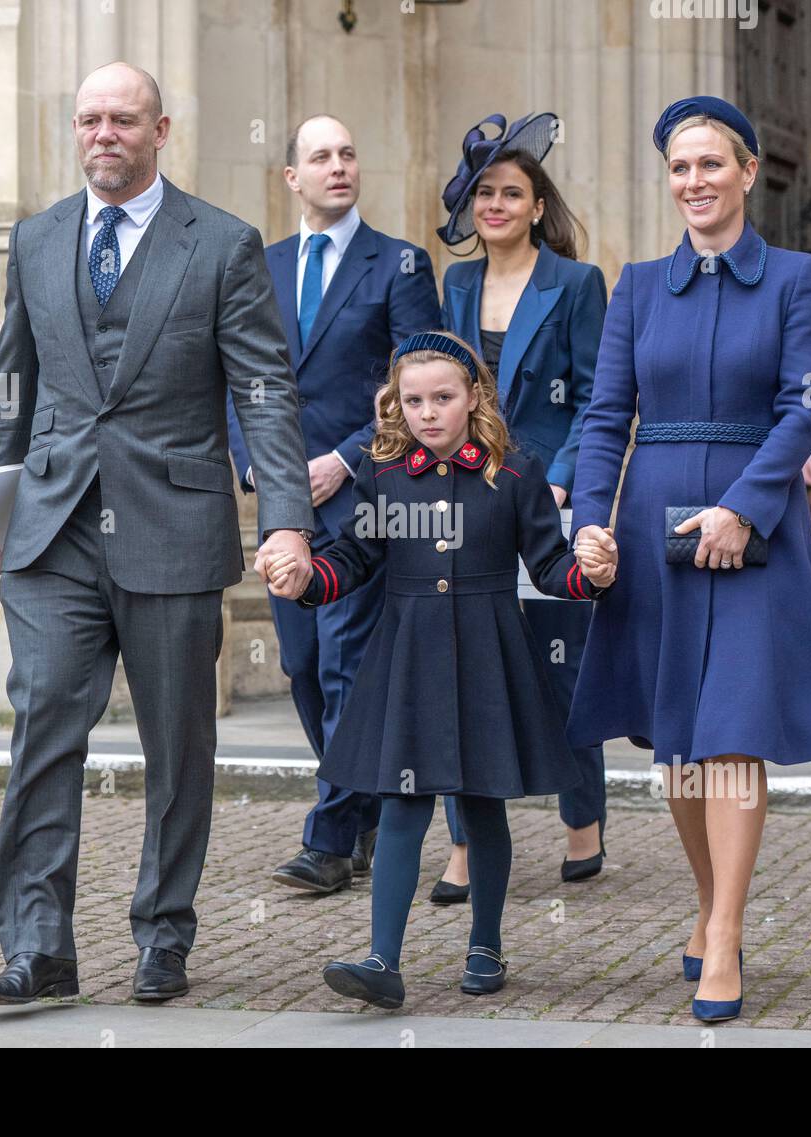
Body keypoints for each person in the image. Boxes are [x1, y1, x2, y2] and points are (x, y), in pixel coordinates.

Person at [0, 63, 314, 1006]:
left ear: (162, 130)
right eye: (89, 120)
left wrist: (287, 519)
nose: (103, 134)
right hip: (51, 530)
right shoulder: (33, 240)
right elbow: (11, 386)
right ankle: (40, 946)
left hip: (174, 525)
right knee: (41, 724)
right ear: (75, 132)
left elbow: (266, 393)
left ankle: (164, 933)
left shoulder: (226, 244)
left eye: (123, 119)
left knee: (178, 744)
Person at [569, 96, 811, 1024]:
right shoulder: (637, 285)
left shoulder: (799, 278)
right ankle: (709, 904)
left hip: (756, 530)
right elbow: (605, 414)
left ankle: (726, 934)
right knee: (681, 743)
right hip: (654, 526)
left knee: (733, 732)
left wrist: (744, 507)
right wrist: (590, 523)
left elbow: (805, 407)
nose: (694, 182)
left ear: (748, 174)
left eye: (711, 165)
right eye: (679, 168)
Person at [263, 330, 616, 1008]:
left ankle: (486, 945)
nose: (428, 412)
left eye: (443, 398)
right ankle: (382, 959)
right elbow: (352, 559)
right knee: (401, 805)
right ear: (397, 404)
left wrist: (590, 574)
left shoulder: (516, 472)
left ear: (474, 396)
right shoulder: (383, 472)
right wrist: (307, 576)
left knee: (482, 804)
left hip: (491, 653)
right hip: (409, 656)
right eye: (414, 400)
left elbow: (550, 566)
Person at [226, 114, 439, 895]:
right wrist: (255, 468)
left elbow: (420, 382)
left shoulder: (401, 265)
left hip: (365, 497)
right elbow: (239, 381)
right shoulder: (263, 264)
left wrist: (346, 460)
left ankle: (328, 835)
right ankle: (370, 802)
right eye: (321, 156)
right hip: (283, 498)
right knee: (303, 663)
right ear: (293, 177)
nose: (339, 165)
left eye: (349, 152)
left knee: (347, 658)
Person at [430, 112, 609, 898]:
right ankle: (465, 844)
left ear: (538, 206)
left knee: (560, 666)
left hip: (548, 494)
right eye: (483, 194)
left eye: (510, 193)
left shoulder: (576, 284)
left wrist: (565, 477)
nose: (494, 205)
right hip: (468, 493)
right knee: (461, 668)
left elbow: (601, 396)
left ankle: (583, 821)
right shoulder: (456, 281)